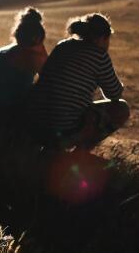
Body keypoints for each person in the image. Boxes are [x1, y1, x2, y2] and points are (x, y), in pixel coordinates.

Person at [25, 13, 129, 151]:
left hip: (35, 122)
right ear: (103, 38)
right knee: (121, 109)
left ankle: (52, 150)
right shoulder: (99, 55)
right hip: (64, 128)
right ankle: (79, 155)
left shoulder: (62, 46)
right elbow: (114, 94)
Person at [0, 7, 47, 122]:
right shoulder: (31, 55)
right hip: (0, 115)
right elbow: (48, 80)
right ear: (37, 38)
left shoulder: (5, 51)